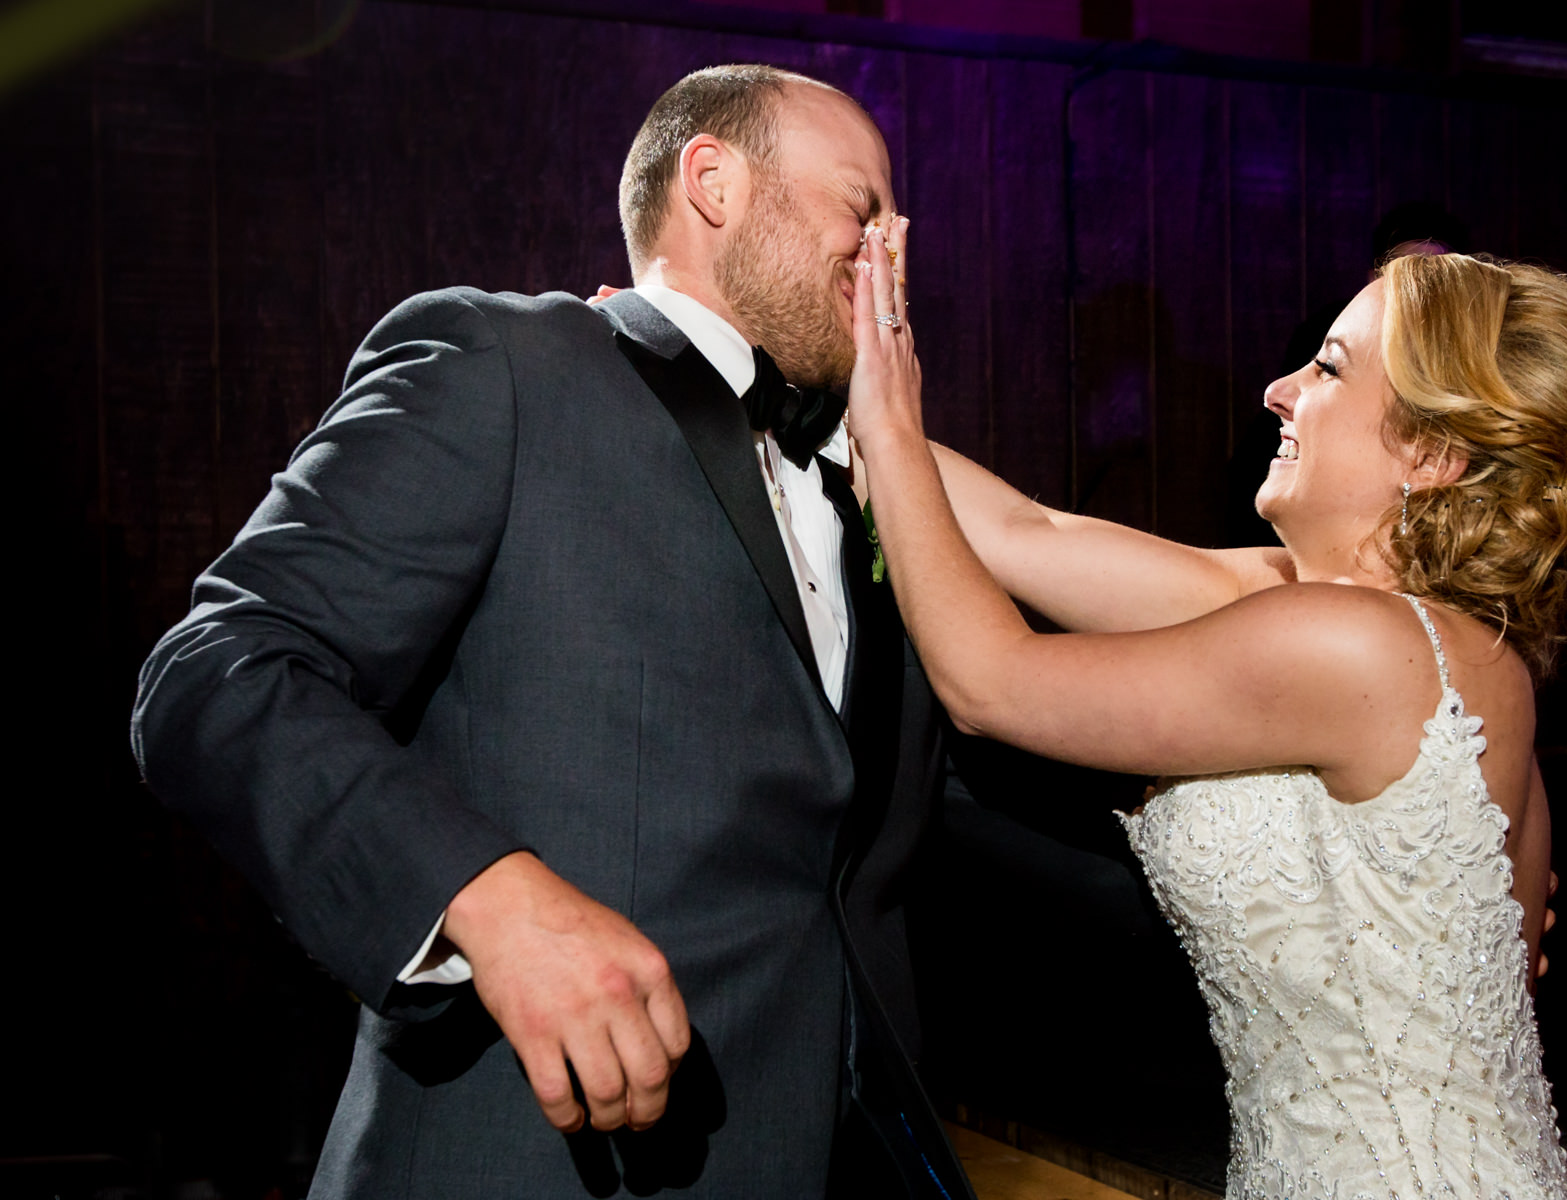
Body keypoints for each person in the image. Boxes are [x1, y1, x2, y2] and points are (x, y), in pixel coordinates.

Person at [132, 65, 972, 1200]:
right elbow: (215, 673)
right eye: (863, 210)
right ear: (714, 183)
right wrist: (483, 895)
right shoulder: (506, 366)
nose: (890, 260)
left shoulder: (882, 479)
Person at [845, 225, 1567, 1197]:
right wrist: (821, 394)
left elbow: (991, 683)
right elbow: (1026, 531)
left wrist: (885, 421)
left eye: (1329, 370)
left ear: (1429, 452)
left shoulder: (1358, 650)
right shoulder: (1380, 633)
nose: (1279, 389)